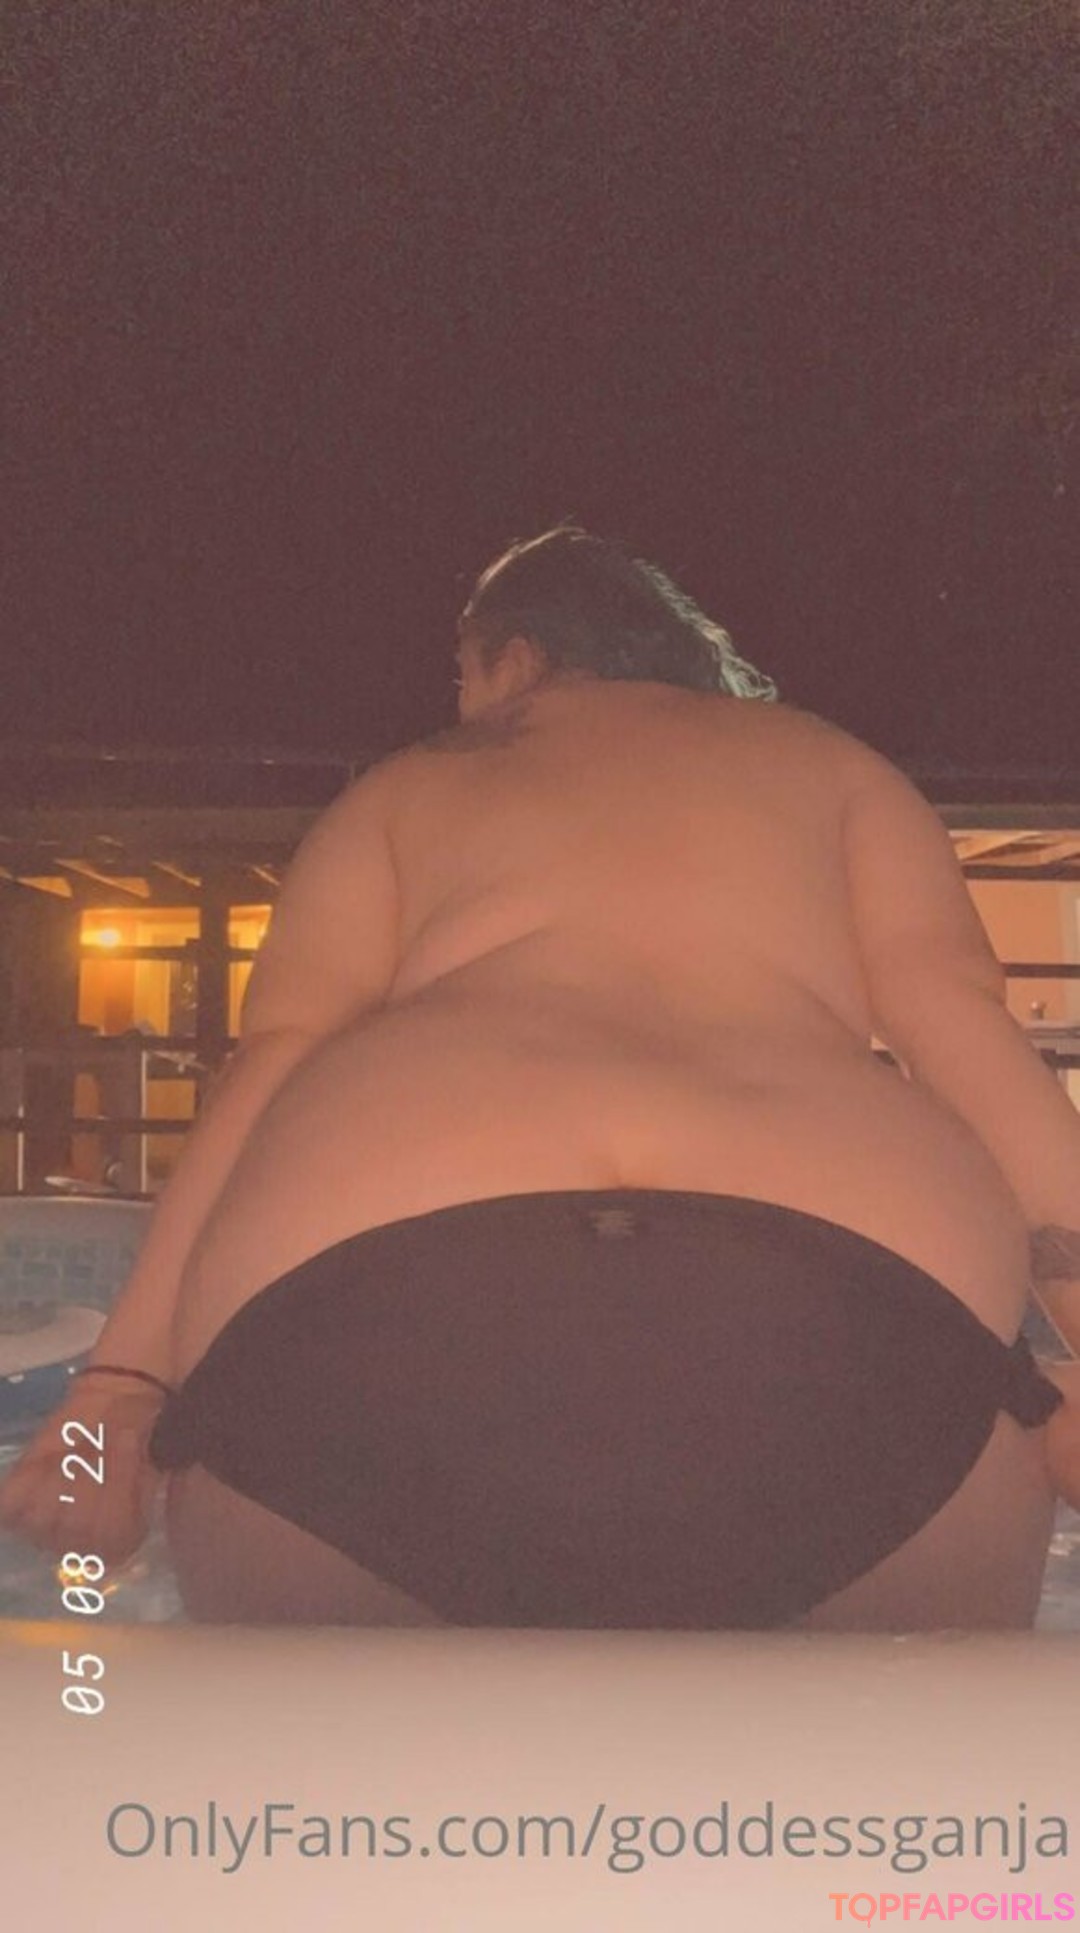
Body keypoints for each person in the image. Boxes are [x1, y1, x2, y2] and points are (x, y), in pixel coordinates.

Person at [2, 525, 1079, 1630]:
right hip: (854, 1330)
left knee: (302, 1739)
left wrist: (115, 1395)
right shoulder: (836, 769)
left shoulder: (407, 789)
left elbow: (272, 1066)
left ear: (512, 658)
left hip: (361, 1322)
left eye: (462, 672)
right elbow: (966, 1037)